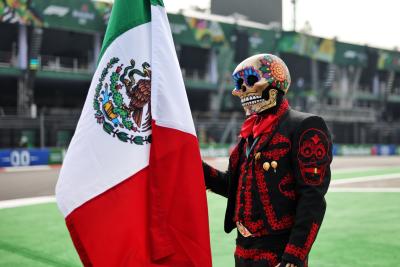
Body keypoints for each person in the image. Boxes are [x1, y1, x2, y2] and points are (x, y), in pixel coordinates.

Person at [203, 54, 332, 267]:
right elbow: (234, 187)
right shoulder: (250, 133)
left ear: (275, 84)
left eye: (251, 81)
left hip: (278, 252)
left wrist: (294, 256)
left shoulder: (305, 125)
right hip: (242, 249)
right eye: (238, 84)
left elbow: (312, 197)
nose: (240, 90)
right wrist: (194, 166)